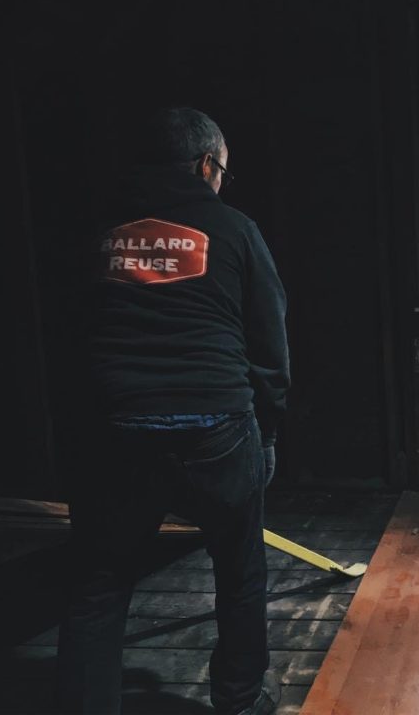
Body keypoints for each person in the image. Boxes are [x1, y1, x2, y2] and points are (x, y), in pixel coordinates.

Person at [57, 107, 289, 715]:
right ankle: (238, 702)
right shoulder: (235, 230)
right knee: (239, 575)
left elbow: (72, 337)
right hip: (217, 425)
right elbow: (270, 345)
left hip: (116, 428)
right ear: (206, 165)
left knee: (99, 585)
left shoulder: (99, 233)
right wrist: (266, 435)